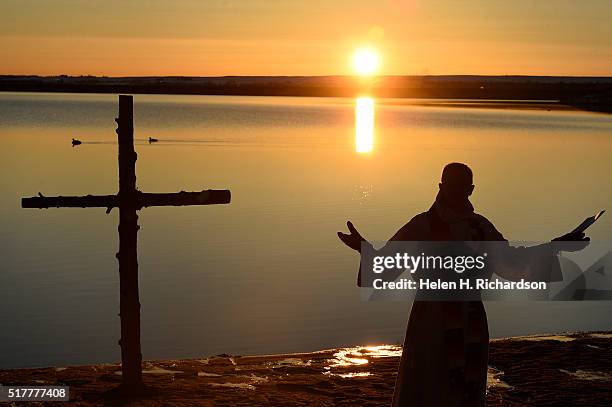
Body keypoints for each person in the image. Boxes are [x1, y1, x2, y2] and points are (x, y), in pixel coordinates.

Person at [337, 162, 588, 406]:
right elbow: (387, 265)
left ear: (471, 189)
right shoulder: (422, 226)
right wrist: (364, 249)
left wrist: (557, 245)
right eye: (452, 185)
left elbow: (511, 260)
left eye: (462, 186)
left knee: (466, 388)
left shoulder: (480, 227)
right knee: (428, 385)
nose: (456, 191)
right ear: (440, 186)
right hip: (430, 323)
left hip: (471, 321)